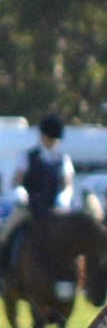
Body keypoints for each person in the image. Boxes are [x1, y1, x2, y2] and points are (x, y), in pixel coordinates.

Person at [0, 113, 75, 267]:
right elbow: (17, 180)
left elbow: (68, 183)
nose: (52, 142)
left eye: (55, 139)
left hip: (55, 209)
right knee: (6, 233)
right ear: (43, 137)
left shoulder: (64, 160)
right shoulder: (28, 156)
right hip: (29, 207)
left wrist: (65, 196)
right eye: (49, 138)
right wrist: (21, 191)